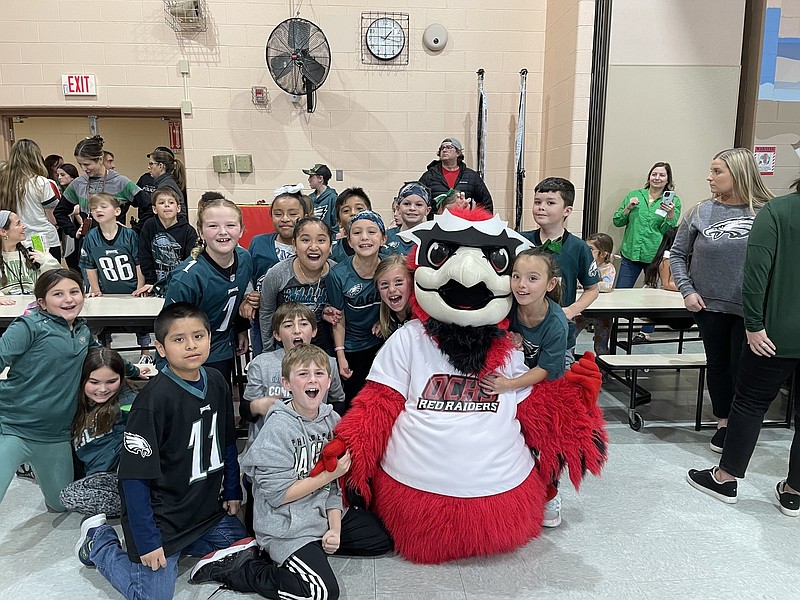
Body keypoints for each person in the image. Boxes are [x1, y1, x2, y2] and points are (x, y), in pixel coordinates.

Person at [74, 302, 255, 600]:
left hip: (204, 511)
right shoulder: (152, 402)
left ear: (210, 338)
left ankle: (184, 548)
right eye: (178, 339)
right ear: (160, 347)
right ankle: (100, 541)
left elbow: (226, 443)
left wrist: (233, 490)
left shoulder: (217, 381)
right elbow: (132, 479)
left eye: (198, 336)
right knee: (152, 596)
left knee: (248, 549)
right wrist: (147, 541)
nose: (191, 346)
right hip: (163, 520)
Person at [189, 344, 393, 598]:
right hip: (286, 523)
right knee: (320, 593)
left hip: (319, 513)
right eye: (303, 374)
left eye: (319, 373)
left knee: (380, 540)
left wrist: (335, 530)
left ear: (329, 381)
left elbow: (334, 488)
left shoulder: (333, 421)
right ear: (286, 384)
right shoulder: (278, 428)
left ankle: (312, 548)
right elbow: (279, 495)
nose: (312, 379)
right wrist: (330, 475)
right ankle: (242, 569)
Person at [686, 180, 800, 516]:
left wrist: (753, 324)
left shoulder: (778, 211)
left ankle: (726, 477)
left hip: (775, 333)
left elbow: (756, 274)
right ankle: (794, 491)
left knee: (750, 403)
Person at [0, 269, 143, 510]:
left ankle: (32, 469)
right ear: (42, 302)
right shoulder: (27, 327)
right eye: (58, 294)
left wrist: (135, 371)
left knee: (60, 504)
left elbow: (102, 356)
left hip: (55, 436)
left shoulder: (82, 331)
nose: (68, 299)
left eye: (74, 292)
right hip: (13, 427)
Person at [671, 148, 773, 453]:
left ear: (739, 174)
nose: (709, 177)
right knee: (718, 365)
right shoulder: (699, 212)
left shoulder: (766, 212)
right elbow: (676, 254)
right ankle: (724, 422)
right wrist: (687, 290)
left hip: (752, 310)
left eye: (717, 172)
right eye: (711, 170)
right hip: (709, 307)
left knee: (745, 367)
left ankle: (743, 424)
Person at [479, 248, 569, 528]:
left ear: (550, 284)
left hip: (543, 382)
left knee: (547, 435)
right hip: (513, 378)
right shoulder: (506, 306)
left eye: (532, 278)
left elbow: (545, 370)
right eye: (516, 276)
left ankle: (551, 492)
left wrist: (508, 385)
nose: (521, 285)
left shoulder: (556, 323)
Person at [240, 303, 345, 532]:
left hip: (311, 455)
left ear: (314, 331)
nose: (297, 331)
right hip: (272, 455)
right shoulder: (263, 364)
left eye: (304, 324)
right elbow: (246, 410)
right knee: (257, 532)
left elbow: (337, 402)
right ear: (277, 334)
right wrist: (264, 404)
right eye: (288, 326)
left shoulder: (329, 364)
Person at [163, 197, 253, 386]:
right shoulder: (187, 278)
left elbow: (236, 295)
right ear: (201, 232)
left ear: (242, 230)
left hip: (222, 347)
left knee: (221, 403)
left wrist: (242, 329)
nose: (223, 232)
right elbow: (170, 327)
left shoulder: (244, 259)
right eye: (213, 226)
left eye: (230, 225)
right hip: (190, 353)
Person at [522, 177, 600, 357]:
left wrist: (572, 310)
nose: (541, 207)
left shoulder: (579, 247)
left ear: (567, 210)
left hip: (560, 334)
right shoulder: (520, 241)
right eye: (537, 202)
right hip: (522, 334)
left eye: (550, 203)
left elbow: (592, 289)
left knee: (557, 380)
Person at [59, 347, 137, 517]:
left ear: (121, 378)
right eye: (94, 382)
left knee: (68, 496)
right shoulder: (77, 404)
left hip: (118, 477)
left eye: (111, 381)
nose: (102, 389)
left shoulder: (127, 403)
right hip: (92, 477)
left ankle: (136, 503)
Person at [613, 162, 681, 342]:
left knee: (652, 296)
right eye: (654, 174)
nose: (657, 178)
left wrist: (671, 214)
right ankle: (613, 326)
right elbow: (617, 221)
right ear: (649, 176)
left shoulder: (673, 201)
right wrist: (628, 208)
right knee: (621, 293)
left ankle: (646, 332)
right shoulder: (634, 196)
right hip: (631, 253)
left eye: (662, 175)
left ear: (668, 180)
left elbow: (671, 231)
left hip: (654, 256)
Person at [79, 193, 151, 361]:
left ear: (117, 211)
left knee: (141, 324)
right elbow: (90, 266)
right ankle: (106, 353)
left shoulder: (129, 235)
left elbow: (139, 263)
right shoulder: (91, 237)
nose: (98, 210)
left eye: (103, 206)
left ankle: (146, 352)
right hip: (108, 291)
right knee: (105, 325)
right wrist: (96, 289)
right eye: (94, 208)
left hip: (131, 289)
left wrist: (140, 286)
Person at [327, 210, 386, 409]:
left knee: (379, 402)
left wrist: (383, 321)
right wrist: (341, 355)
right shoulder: (337, 274)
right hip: (351, 346)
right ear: (349, 241)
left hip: (381, 345)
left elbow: (399, 303)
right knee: (354, 403)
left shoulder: (390, 267)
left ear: (383, 238)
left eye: (372, 232)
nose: (364, 238)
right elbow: (338, 317)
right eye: (357, 233)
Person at [259, 216, 337, 355]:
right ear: (294, 245)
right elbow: (266, 313)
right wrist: (268, 351)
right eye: (305, 240)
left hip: (324, 349)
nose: (313, 246)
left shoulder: (337, 273)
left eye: (321, 240)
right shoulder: (277, 273)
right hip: (285, 349)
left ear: (330, 246)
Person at [55, 135, 153, 241]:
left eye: (87, 164)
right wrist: (73, 231)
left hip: (117, 244)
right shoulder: (78, 184)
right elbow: (59, 212)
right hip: (88, 244)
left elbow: (150, 207)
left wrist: (134, 231)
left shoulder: (120, 182)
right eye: (80, 164)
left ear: (100, 159)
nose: (84, 169)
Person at [0, 138, 61, 260]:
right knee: (48, 277)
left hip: (16, 240)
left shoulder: (4, 183)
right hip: (42, 239)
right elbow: (52, 218)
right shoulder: (40, 182)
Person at [136, 187, 198, 294]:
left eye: (171, 202)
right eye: (161, 202)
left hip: (180, 284)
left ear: (178, 208)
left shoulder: (189, 231)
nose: (166, 205)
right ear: (155, 209)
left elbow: (190, 260)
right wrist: (150, 281)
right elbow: (145, 256)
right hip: (154, 285)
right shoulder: (149, 226)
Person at [419, 137, 493, 212]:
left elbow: (486, 203)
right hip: (437, 222)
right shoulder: (429, 176)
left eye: (449, 147)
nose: (444, 150)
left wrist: (481, 221)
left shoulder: (471, 176)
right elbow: (418, 199)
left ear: (458, 152)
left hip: (462, 222)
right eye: (442, 148)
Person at [0, 210, 61, 299]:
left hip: (34, 306)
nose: (24, 226)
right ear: (3, 232)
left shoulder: (32, 249)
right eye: (18, 224)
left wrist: (46, 260)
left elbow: (58, 277)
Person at [575, 232, 616, 355]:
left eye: (591, 249)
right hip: (584, 308)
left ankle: (603, 372)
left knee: (601, 346)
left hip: (602, 312)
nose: (586, 252)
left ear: (604, 254)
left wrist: (587, 284)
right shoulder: (583, 266)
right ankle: (568, 367)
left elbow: (607, 286)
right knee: (569, 338)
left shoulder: (609, 268)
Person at [373, 253, 413, 339]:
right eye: (384, 285)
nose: (391, 289)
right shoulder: (388, 319)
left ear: (412, 282)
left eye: (398, 282)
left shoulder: (424, 320)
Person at [385, 182, 431, 255]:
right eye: (407, 204)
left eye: (419, 205)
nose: (412, 208)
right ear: (398, 208)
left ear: (427, 210)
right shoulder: (387, 236)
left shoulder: (431, 238)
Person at [330, 187, 371, 262]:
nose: (353, 213)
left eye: (359, 208)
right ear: (339, 221)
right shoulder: (333, 253)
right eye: (346, 211)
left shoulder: (383, 251)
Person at [303, 163, 338, 232]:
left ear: (320, 178)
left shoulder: (333, 198)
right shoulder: (310, 198)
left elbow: (336, 223)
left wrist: (334, 239)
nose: (308, 179)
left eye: (311, 176)